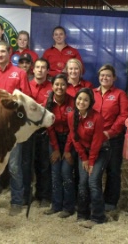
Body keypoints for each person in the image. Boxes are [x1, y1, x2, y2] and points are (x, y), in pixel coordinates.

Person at [0, 40, 32, 217]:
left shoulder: (19, 74)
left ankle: (17, 201)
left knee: (14, 167)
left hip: (13, 130)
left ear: (10, 52)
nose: (0, 54)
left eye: (3, 51)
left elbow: (26, 101)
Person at [65, 88, 110, 229]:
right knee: (83, 182)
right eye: (79, 99)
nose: (81, 102)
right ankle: (82, 214)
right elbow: (74, 138)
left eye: (85, 100)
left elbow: (97, 141)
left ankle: (98, 217)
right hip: (84, 153)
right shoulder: (71, 115)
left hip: (100, 151)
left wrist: (91, 162)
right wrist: (84, 158)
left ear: (90, 102)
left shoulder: (97, 117)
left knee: (93, 181)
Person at [92, 64, 128, 212]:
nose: (104, 78)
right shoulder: (92, 93)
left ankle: (111, 202)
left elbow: (123, 115)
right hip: (94, 139)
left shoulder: (120, 94)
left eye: (108, 75)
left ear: (114, 78)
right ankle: (95, 200)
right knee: (94, 172)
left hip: (113, 139)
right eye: (102, 75)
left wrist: (110, 132)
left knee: (113, 170)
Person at [21, 58, 53, 208]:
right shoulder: (26, 86)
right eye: (37, 67)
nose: (40, 70)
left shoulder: (52, 88)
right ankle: (27, 195)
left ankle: (44, 195)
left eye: (43, 67)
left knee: (44, 165)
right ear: (32, 70)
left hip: (44, 132)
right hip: (28, 131)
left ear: (47, 71)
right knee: (27, 164)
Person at [44, 73, 76, 218]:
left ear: (67, 86)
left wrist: (67, 150)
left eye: (63, 84)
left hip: (70, 140)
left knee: (66, 172)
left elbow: (73, 128)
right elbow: (49, 127)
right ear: (52, 86)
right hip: (54, 139)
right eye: (57, 84)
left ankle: (68, 207)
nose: (60, 87)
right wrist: (56, 149)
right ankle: (56, 205)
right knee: (55, 173)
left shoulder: (73, 102)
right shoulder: (49, 102)